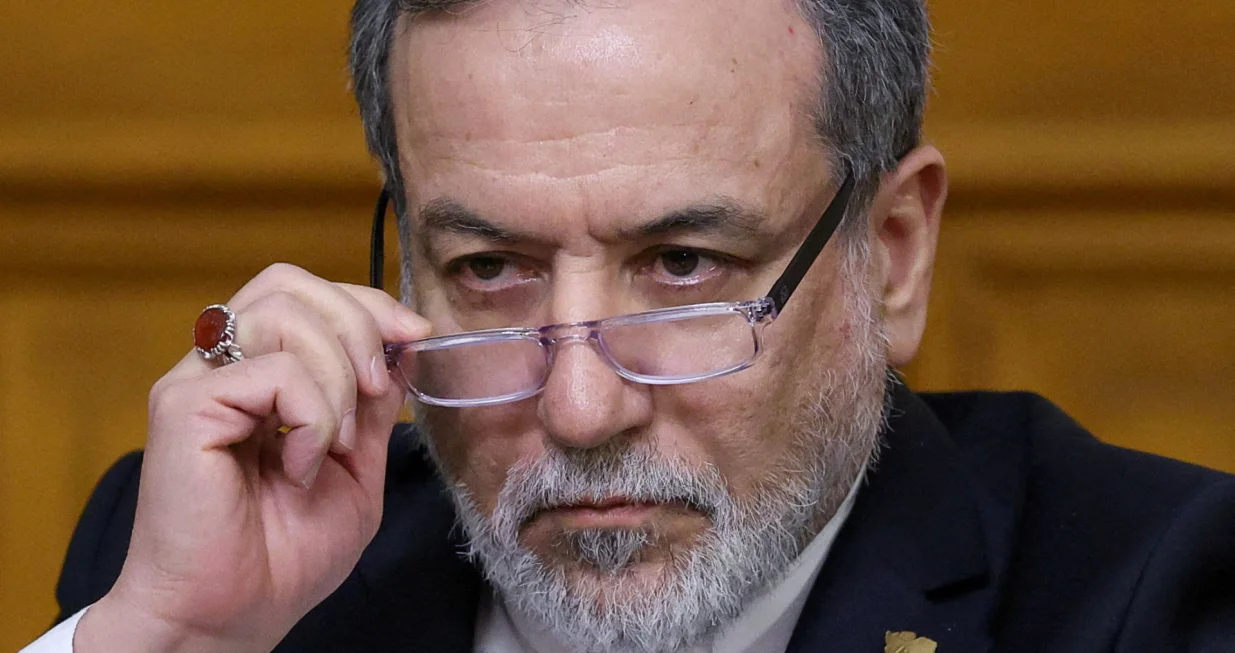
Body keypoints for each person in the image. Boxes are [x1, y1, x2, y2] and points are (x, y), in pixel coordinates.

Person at [21, 0, 1235, 651]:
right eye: (489, 266)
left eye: (683, 264)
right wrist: (173, 644)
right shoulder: (209, 564)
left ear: (894, 253)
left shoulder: (1152, 590)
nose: (578, 407)